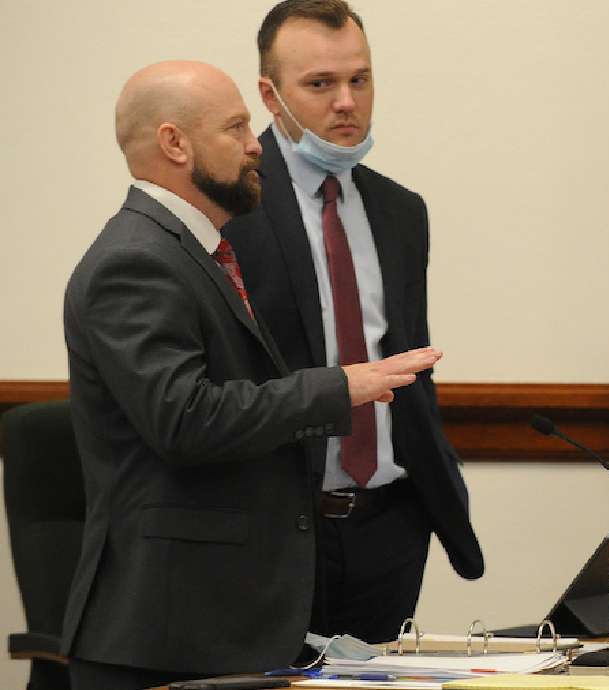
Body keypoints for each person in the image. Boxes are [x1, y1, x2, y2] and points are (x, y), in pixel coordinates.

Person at [61, 60, 442, 690]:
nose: (254, 145)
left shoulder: (196, 249)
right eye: (236, 127)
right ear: (175, 144)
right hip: (166, 638)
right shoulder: (135, 259)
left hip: (215, 625)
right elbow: (186, 419)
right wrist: (340, 386)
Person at [224, 0, 483, 644]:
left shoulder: (400, 210)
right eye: (320, 84)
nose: (346, 102)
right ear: (270, 95)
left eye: (359, 79)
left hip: (388, 523)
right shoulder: (227, 206)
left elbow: (407, 361)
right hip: (274, 529)